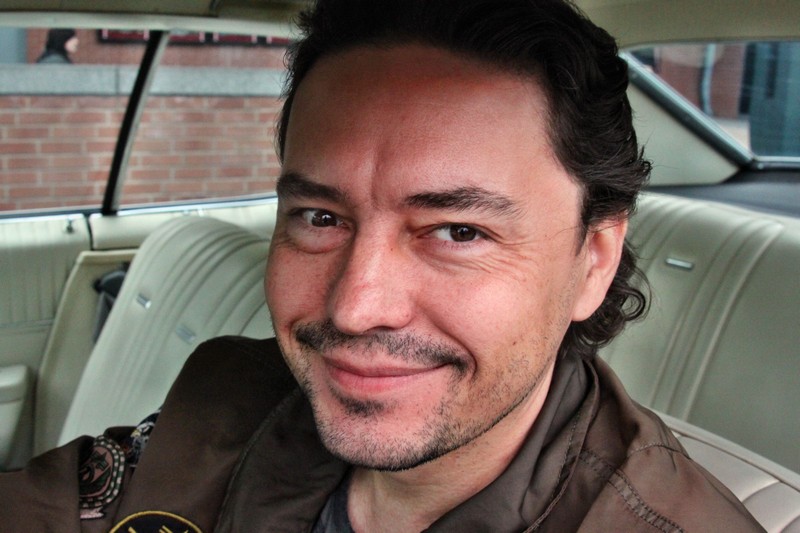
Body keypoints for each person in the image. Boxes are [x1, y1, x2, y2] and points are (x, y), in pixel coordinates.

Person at [1, 0, 765, 531]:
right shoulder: (233, 390)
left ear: (593, 261)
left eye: (457, 231)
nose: (355, 306)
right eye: (320, 217)